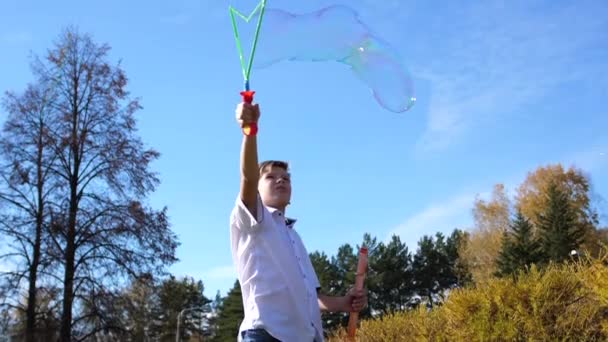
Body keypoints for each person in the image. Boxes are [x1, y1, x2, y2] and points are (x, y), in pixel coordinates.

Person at [230, 100, 368, 342]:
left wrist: (344, 303)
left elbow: (312, 298)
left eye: (286, 177)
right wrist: (250, 132)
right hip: (265, 335)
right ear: (258, 190)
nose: (281, 180)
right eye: (271, 177)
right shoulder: (253, 220)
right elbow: (248, 178)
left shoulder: (294, 236)